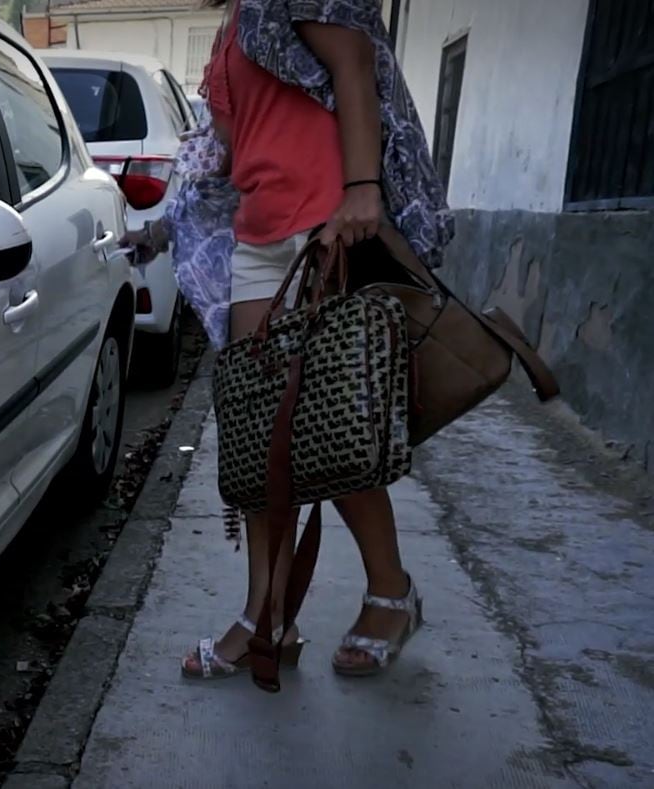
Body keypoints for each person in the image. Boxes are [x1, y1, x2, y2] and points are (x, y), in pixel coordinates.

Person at [123, 0, 453, 679]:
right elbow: (221, 152)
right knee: (258, 439)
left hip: (327, 228)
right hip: (259, 241)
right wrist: (161, 227)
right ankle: (268, 614)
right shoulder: (231, 30)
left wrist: (362, 190)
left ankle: (391, 594)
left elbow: (354, 64)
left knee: (331, 431)